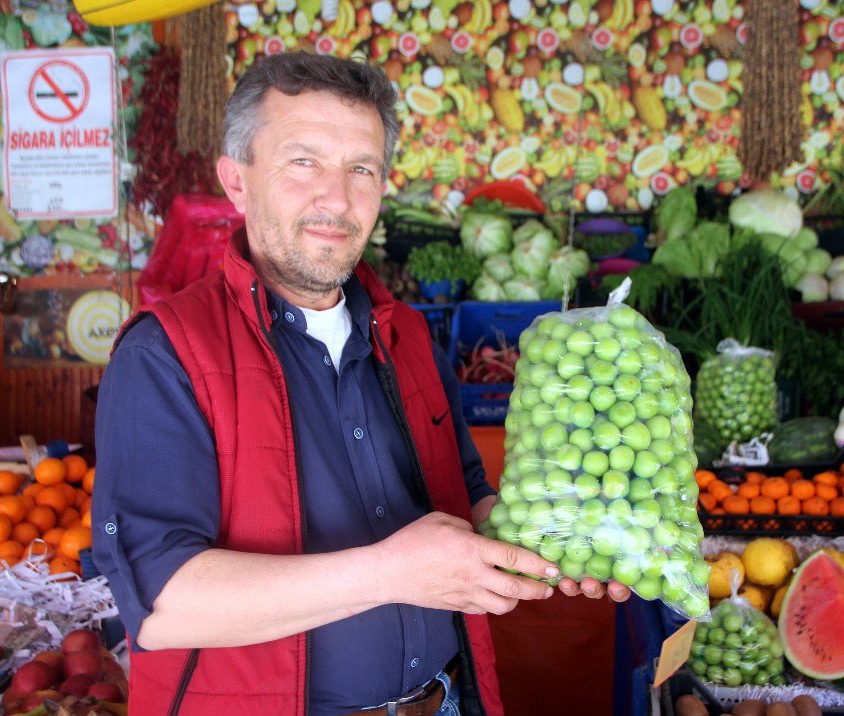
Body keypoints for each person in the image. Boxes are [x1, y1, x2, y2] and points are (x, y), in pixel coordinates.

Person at [92, 52, 630, 716]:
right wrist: (390, 571)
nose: (337, 199)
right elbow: (162, 602)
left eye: (362, 169)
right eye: (304, 162)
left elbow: (468, 497)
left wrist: (560, 539)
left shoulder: (406, 337)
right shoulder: (166, 352)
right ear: (237, 180)